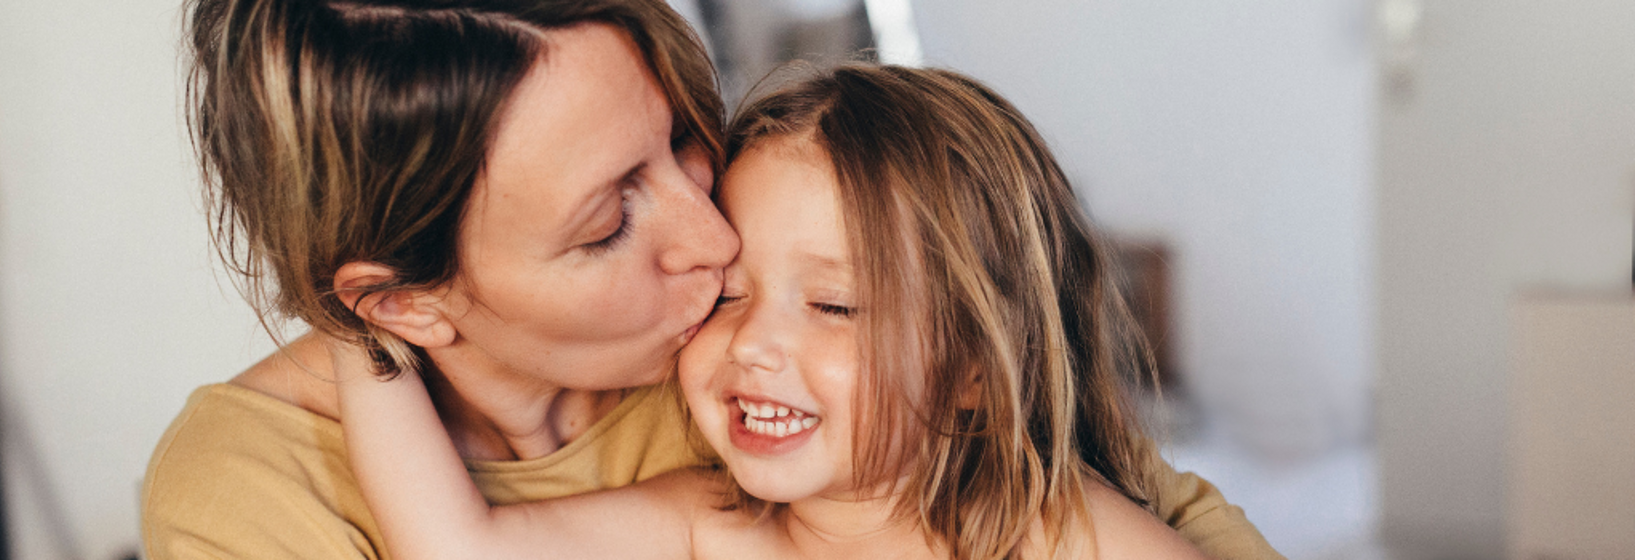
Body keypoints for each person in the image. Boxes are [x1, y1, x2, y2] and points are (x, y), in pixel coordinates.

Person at [143, 1, 1283, 558]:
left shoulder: (1030, 509)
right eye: (608, 221)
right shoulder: (723, 511)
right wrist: (360, 341)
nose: (713, 242)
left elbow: (1155, 500)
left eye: (686, 142)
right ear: (400, 298)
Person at [333, 63, 1212, 560]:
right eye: (728, 294)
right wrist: (359, 325)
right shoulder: (706, 526)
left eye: (834, 304)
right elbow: (459, 550)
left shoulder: (1065, 538)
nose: (752, 343)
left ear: (976, 371)